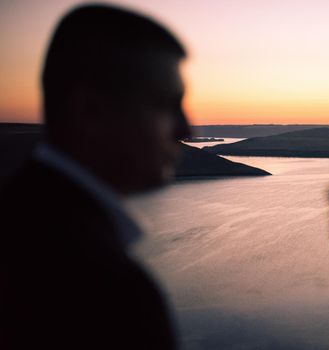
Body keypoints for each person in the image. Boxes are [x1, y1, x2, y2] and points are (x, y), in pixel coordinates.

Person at [0, 4, 190, 349]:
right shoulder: (104, 289)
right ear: (90, 111)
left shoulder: (17, 220)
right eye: (167, 104)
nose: (186, 129)